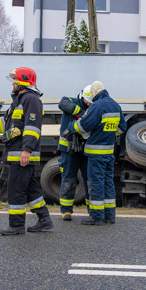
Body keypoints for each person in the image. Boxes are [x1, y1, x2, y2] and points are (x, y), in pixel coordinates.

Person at [0, 67, 53, 235]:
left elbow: (32, 128)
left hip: (22, 154)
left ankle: (17, 225)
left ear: (22, 82)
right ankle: (44, 220)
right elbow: (8, 124)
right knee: (30, 188)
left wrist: (27, 150)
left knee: (16, 189)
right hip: (17, 152)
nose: (12, 85)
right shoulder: (19, 101)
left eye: (14, 81)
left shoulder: (31, 100)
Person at [69, 80, 126, 225]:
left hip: (96, 152)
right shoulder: (115, 104)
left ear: (94, 93)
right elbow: (122, 128)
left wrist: (71, 126)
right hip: (109, 152)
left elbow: (84, 126)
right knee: (108, 183)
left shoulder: (97, 106)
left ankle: (96, 217)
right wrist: (108, 133)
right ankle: (110, 216)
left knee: (95, 183)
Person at [57, 85, 91, 221]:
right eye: (87, 100)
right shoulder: (70, 101)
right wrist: (82, 113)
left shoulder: (93, 107)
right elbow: (62, 104)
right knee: (69, 179)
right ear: (82, 96)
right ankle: (66, 211)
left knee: (89, 181)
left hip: (85, 149)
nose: (89, 103)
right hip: (68, 150)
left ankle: (92, 210)